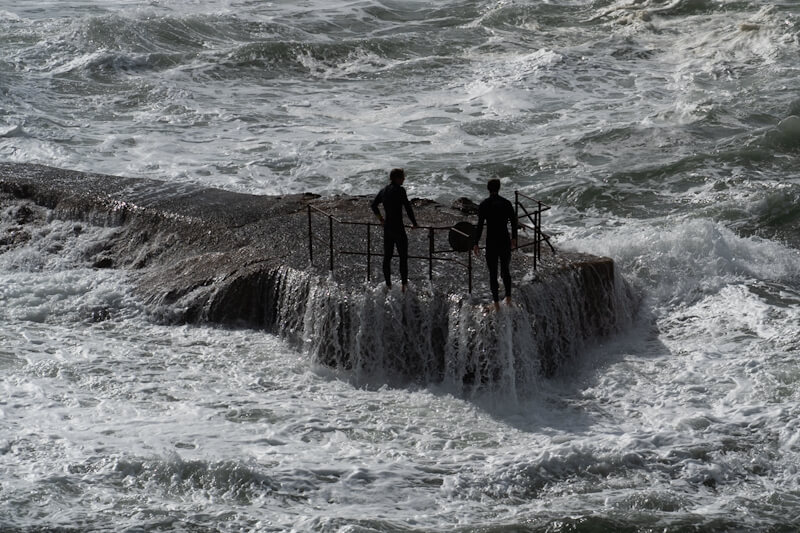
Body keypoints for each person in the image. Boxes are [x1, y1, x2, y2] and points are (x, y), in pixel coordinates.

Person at [473, 178, 518, 310]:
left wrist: (475, 243)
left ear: (488, 189)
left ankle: (496, 303)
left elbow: (480, 226)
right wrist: (514, 238)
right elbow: (514, 222)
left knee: (493, 273)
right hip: (504, 239)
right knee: (505, 270)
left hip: (491, 241)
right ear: (499, 188)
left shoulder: (484, 204)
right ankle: (508, 298)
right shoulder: (506, 203)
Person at [371, 168, 419, 291]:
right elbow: (408, 208)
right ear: (397, 178)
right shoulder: (400, 190)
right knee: (403, 257)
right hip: (398, 228)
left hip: (387, 228)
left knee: (387, 257)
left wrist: (381, 219)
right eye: (402, 177)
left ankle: (388, 285)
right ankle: (404, 285)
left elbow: (373, 205)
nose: (404, 179)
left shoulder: (384, 191)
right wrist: (414, 223)